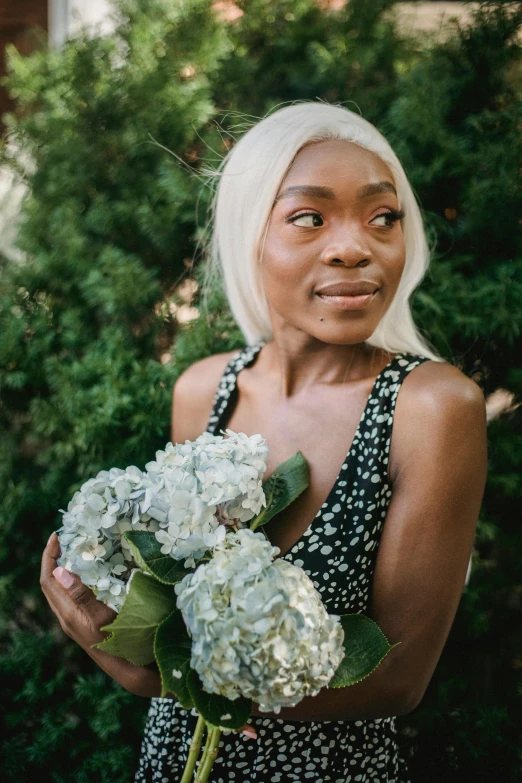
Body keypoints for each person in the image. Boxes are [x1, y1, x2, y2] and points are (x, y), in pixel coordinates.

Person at [41, 100, 487, 782]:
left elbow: (397, 677)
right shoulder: (202, 391)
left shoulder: (431, 408)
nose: (354, 246)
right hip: (172, 761)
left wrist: (157, 679)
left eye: (382, 217)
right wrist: (111, 617)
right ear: (252, 234)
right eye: (310, 217)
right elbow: (178, 602)